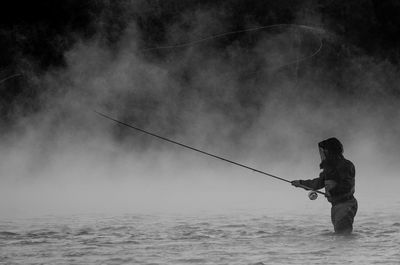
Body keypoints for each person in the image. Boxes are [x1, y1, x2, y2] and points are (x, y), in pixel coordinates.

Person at [291, 137, 358, 234]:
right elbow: (318, 183)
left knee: (343, 237)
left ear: (329, 151)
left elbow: (347, 185)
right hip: (336, 205)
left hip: (346, 205)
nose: (321, 154)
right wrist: (300, 183)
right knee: (340, 235)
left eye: (323, 151)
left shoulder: (346, 165)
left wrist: (332, 192)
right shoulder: (329, 167)